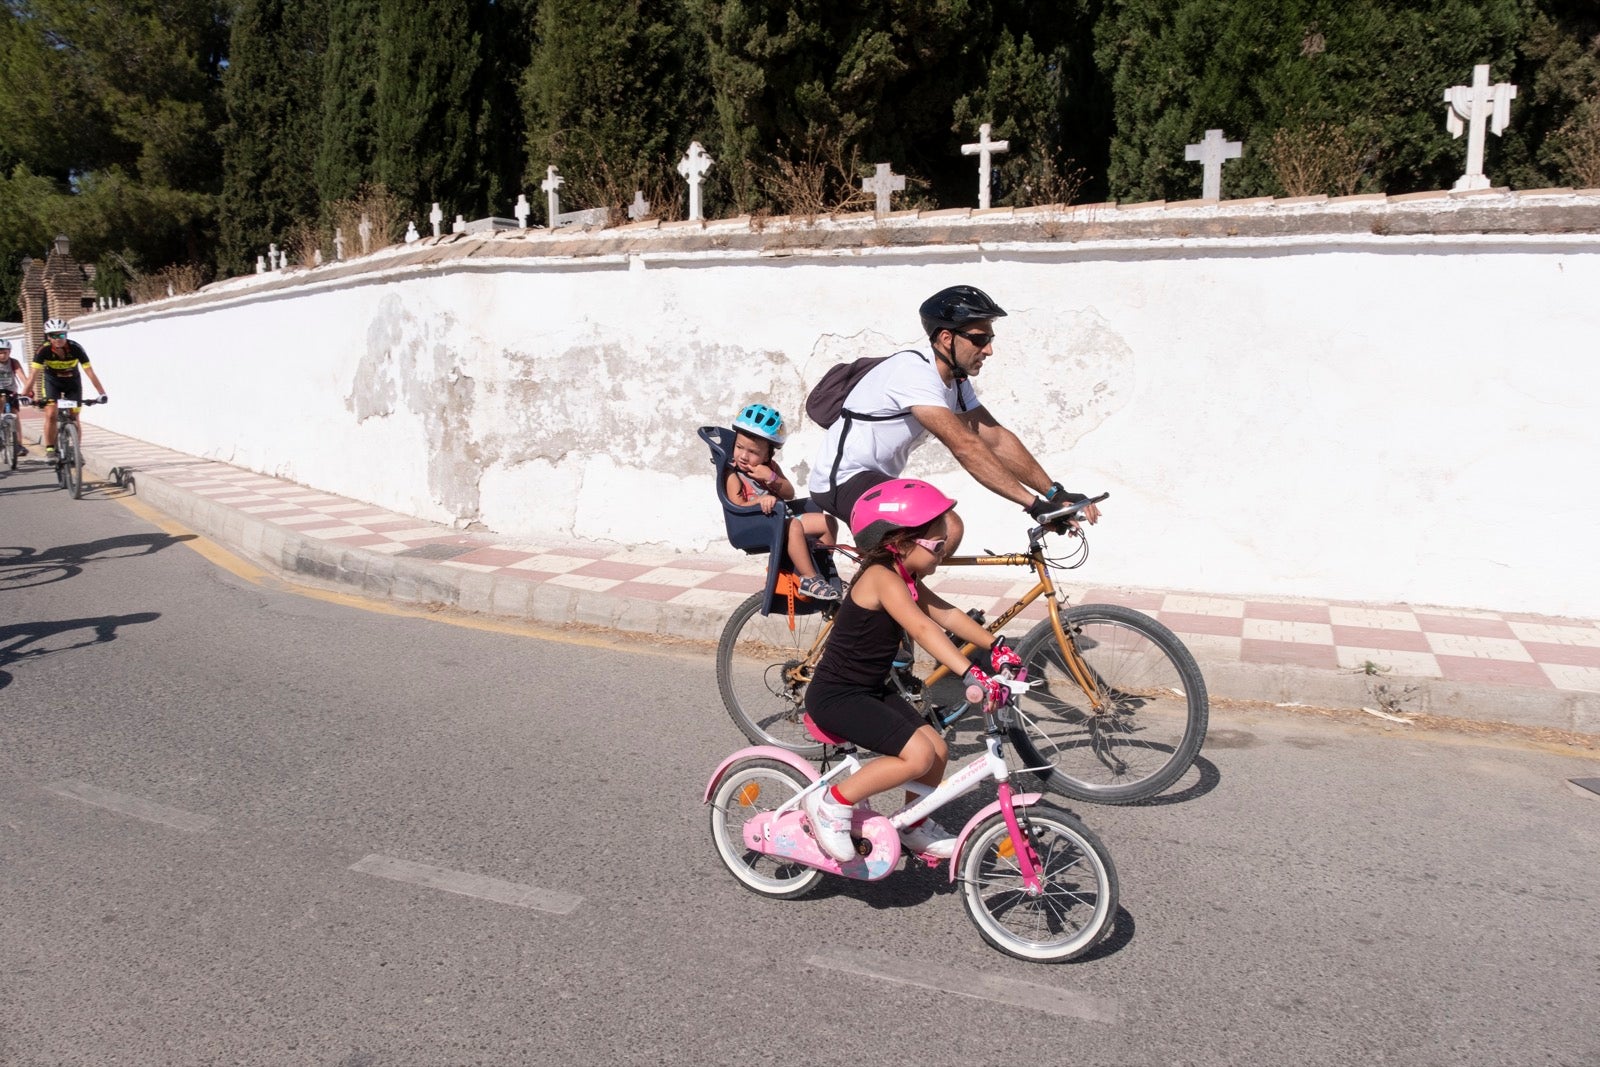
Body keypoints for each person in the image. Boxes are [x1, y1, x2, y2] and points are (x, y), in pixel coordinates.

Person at [802, 478, 1021, 861]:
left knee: (936, 749)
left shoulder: (907, 576)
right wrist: (971, 673)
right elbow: (923, 627)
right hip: (838, 695)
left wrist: (997, 647)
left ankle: (914, 825)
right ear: (901, 542)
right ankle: (832, 804)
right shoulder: (880, 577)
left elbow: (946, 613)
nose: (942, 554)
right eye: (938, 546)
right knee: (917, 757)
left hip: (871, 688)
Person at [808, 284, 1101, 556]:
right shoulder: (913, 373)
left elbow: (995, 438)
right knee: (947, 527)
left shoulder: (955, 381)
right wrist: (1034, 505)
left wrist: (1054, 491)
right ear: (946, 338)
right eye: (979, 339)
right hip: (842, 481)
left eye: (990, 339)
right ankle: (875, 605)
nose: (988, 349)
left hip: (875, 479)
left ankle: (889, 602)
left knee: (915, 561)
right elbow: (965, 447)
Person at [725, 403, 841, 600]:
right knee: (794, 525)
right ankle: (808, 578)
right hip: (757, 524)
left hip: (783, 518)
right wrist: (760, 499)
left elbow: (789, 493)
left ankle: (820, 567)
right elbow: (737, 507)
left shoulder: (770, 467)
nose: (744, 456)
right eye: (739, 447)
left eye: (753, 452)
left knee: (828, 522)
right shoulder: (733, 474)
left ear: (768, 454)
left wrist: (770, 476)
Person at [19, 319, 107, 462]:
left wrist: (102, 393)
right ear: (48, 337)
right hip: (52, 382)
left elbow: (90, 372)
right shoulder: (43, 350)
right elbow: (34, 375)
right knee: (51, 413)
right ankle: (50, 450)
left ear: (66, 335)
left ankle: (76, 452)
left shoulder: (76, 348)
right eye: (54, 335)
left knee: (74, 417)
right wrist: (24, 395)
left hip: (72, 382)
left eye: (61, 335)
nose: (58, 339)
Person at [1, 339, 29, 456]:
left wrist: (28, 391)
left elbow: (22, 377)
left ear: (9, 352)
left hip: (11, 391)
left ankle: (18, 445)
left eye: (5, 352)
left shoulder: (14, 362)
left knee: (15, 415)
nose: (2, 355)